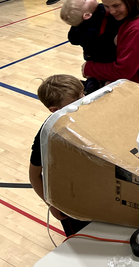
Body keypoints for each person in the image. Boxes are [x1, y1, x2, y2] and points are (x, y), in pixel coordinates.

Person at [29, 75, 92, 236]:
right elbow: (34, 175)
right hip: (70, 201)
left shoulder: (86, 115)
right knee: (84, 239)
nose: (83, 100)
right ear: (55, 110)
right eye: (76, 100)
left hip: (94, 190)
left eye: (82, 94)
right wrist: (51, 205)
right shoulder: (48, 135)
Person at [61, 0, 122, 91]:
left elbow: (73, 38)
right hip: (106, 57)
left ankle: (96, 81)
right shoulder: (99, 20)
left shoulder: (79, 28)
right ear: (87, 15)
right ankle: (104, 82)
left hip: (91, 57)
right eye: (85, 0)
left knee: (94, 77)